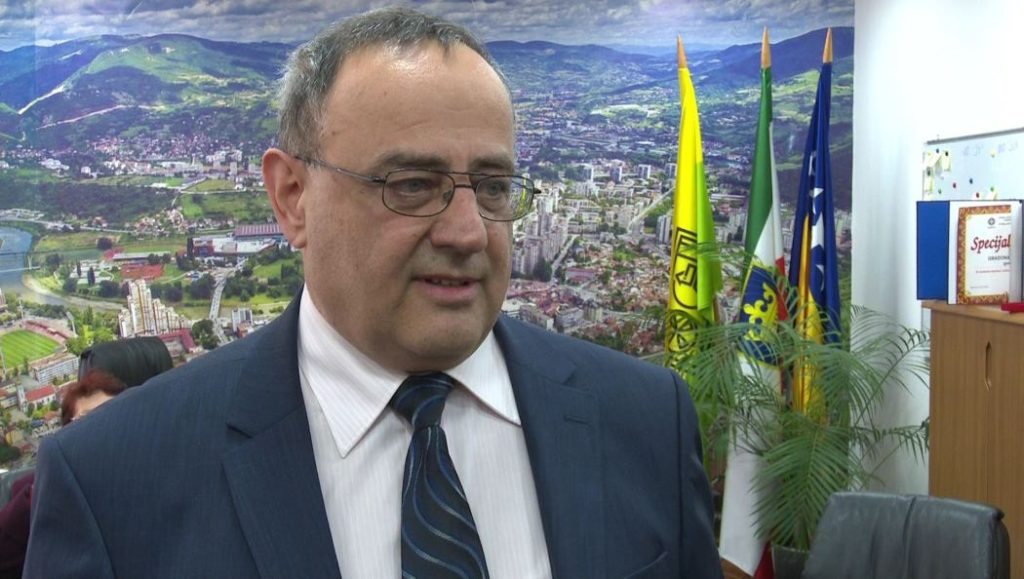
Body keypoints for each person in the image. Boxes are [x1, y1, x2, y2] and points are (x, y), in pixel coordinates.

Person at [25, 7, 722, 578]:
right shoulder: (114, 481)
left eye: (493, 186)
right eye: (411, 184)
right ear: (292, 197)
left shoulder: (644, 420)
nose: (468, 231)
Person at [0, 369, 126, 579]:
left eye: (113, 415)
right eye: (88, 421)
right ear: (68, 437)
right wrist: (46, 490)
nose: (104, 430)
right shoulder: (38, 490)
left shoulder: (151, 478)